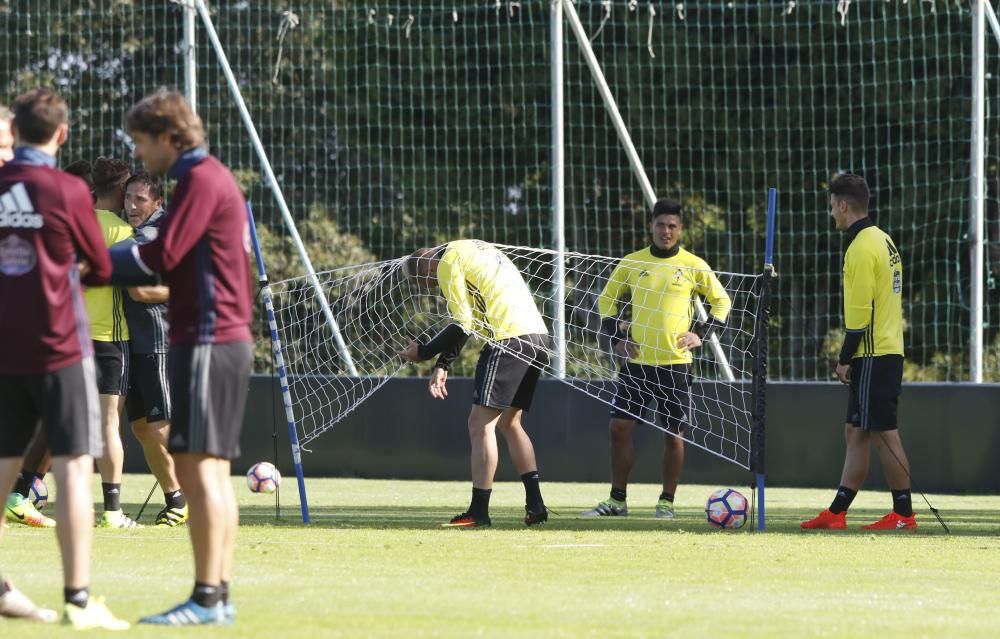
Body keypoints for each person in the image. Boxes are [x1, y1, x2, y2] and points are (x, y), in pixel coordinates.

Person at [109, 90, 253, 625]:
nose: (140, 156)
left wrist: (91, 263)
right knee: (207, 470)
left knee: (201, 473)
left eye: (142, 143)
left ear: (170, 137)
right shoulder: (208, 175)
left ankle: (208, 598)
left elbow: (163, 255)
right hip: (219, 338)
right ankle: (216, 595)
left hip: (212, 339)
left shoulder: (199, 177)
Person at [0, 87, 128, 629]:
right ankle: (79, 600)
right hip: (59, 347)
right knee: (75, 466)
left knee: (4, 466)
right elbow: (101, 267)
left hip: (4, 347)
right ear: (61, 134)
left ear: (15, 132)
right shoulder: (67, 191)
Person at [582, 198, 731, 519]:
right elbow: (606, 300)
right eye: (661, 225)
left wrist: (701, 335)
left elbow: (722, 302)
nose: (667, 231)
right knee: (619, 427)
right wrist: (617, 338)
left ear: (680, 229)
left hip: (675, 366)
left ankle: (666, 502)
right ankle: (617, 501)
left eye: (673, 226)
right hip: (636, 365)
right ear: (651, 226)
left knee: (673, 435)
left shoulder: (693, 264)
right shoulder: (633, 262)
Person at [399, 239, 550, 529]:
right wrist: (443, 364)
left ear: (427, 270)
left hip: (509, 340)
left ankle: (478, 512)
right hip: (538, 338)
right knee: (510, 423)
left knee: (479, 424)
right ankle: (536, 504)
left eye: (428, 284)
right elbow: (472, 321)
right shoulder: (469, 249)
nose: (434, 288)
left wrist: (425, 352)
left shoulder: (444, 264)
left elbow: (461, 323)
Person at [801, 173, 915, 531]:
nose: (831, 212)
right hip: (884, 350)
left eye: (832, 206)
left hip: (875, 354)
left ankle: (904, 514)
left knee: (884, 432)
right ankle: (837, 513)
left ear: (844, 205)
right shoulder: (883, 239)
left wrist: (844, 358)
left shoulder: (862, 246)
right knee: (856, 431)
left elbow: (859, 315)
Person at [121, 171, 188, 527]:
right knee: (142, 429)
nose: (132, 206)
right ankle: (176, 499)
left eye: (140, 200)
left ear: (157, 203)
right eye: (128, 198)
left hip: (156, 341)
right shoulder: (127, 230)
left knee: (161, 425)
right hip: (130, 341)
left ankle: (197, 492)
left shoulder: (158, 233)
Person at [84, 158, 142, 529]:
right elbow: (136, 289)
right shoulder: (122, 233)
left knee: (70, 425)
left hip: (71, 338)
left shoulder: (74, 224)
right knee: (108, 425)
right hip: (109, 338)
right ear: (121, 190)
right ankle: (112, 511)